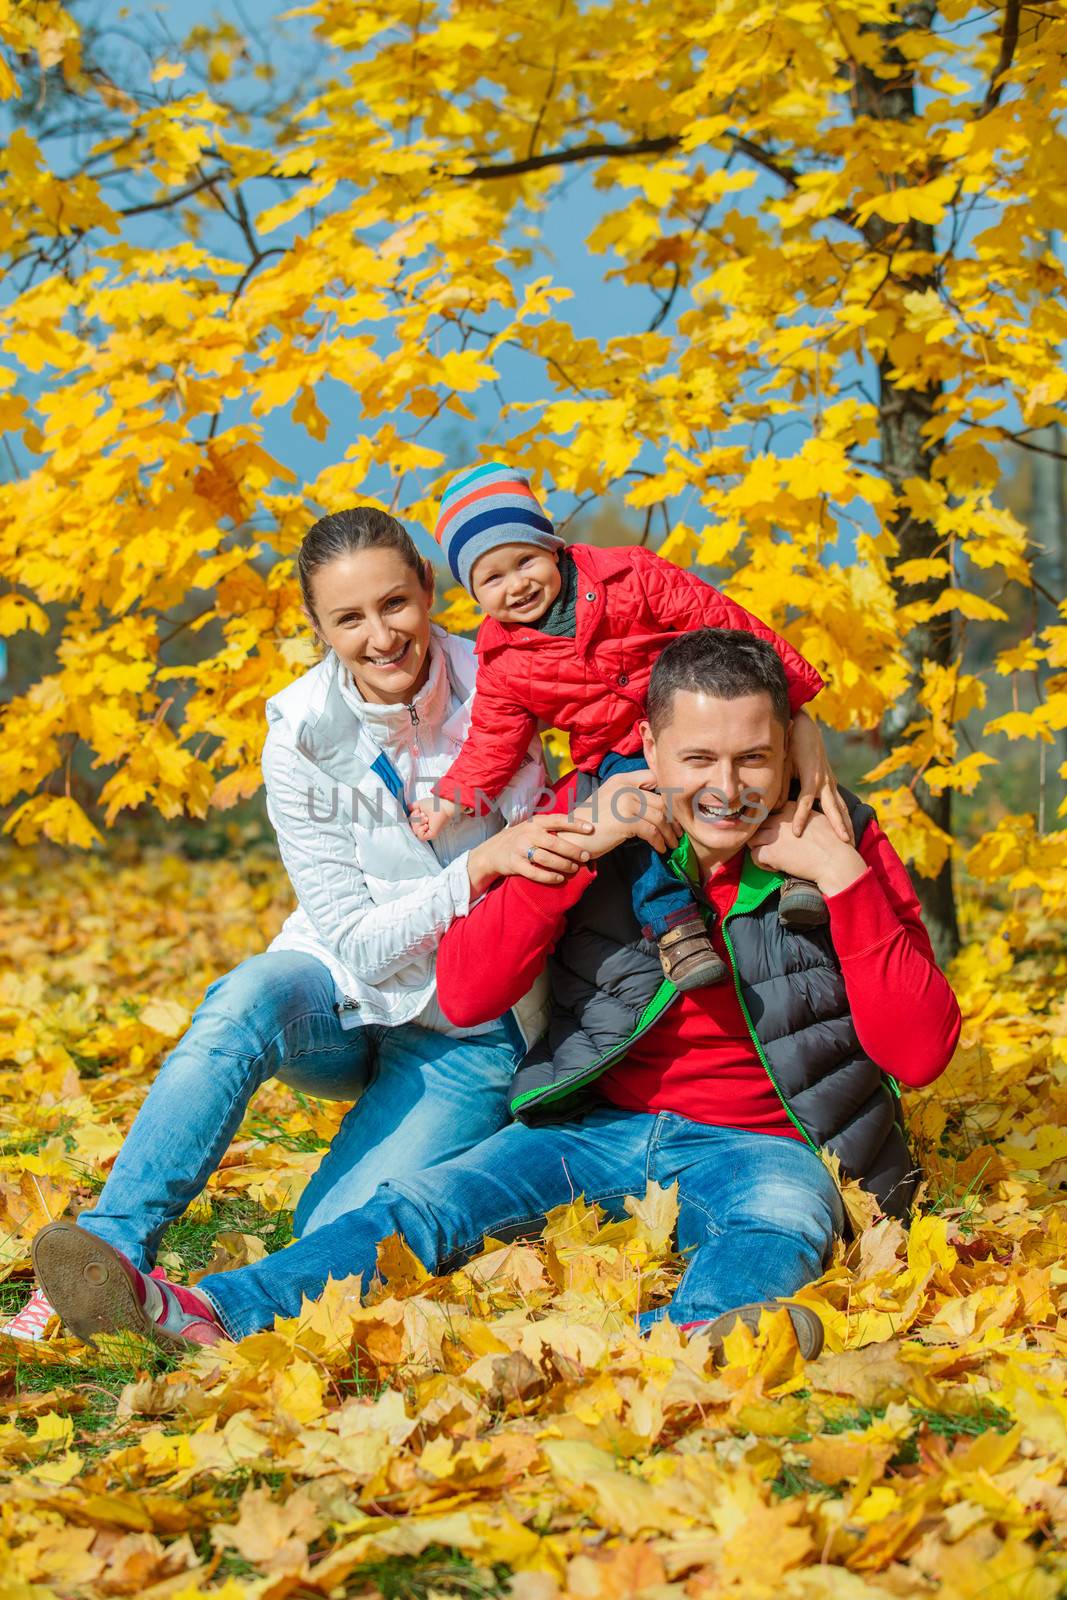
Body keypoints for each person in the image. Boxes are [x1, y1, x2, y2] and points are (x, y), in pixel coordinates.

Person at [30, 629, 961, 1358]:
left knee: (782, 1219)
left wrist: (843, 880)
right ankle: (194, 1310)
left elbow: (917, 1055)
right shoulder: (594, 822)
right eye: (698, 761)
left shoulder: (837, 843)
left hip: (763, 1140)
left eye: (752, 760)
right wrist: (570, 857)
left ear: (787, 753)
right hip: (592, 1128)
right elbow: (473, 991)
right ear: (648, 748)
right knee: (420, 1206)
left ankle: (706, 1342)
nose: (724, 788)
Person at [5, 505, 597, 1342]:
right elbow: (355, 940)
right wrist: (478, 866)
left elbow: (644, 698)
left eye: (394, 605)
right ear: (317, 626)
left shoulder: (504, 677)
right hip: (343, 995)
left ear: (428, 590)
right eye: (349, 619)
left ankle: (176, 1311)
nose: (381, 636)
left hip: (469, 1028)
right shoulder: (299, 739)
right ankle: (108, 1249)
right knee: (247, 996)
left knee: (327, 1230)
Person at [411, 462, 840, 991]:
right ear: (474, 593)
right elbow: (493, 742)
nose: (516, 584)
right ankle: (674, 925)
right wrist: (450, 799)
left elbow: (727, 621)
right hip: (618, 748)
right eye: (492, 578)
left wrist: (793, 705)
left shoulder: (630, 576)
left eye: (524, 560)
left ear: (552, 547)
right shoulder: (502, 660)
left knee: (758, 762)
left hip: (694, 714)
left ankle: (797, 871)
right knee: (632, 819)